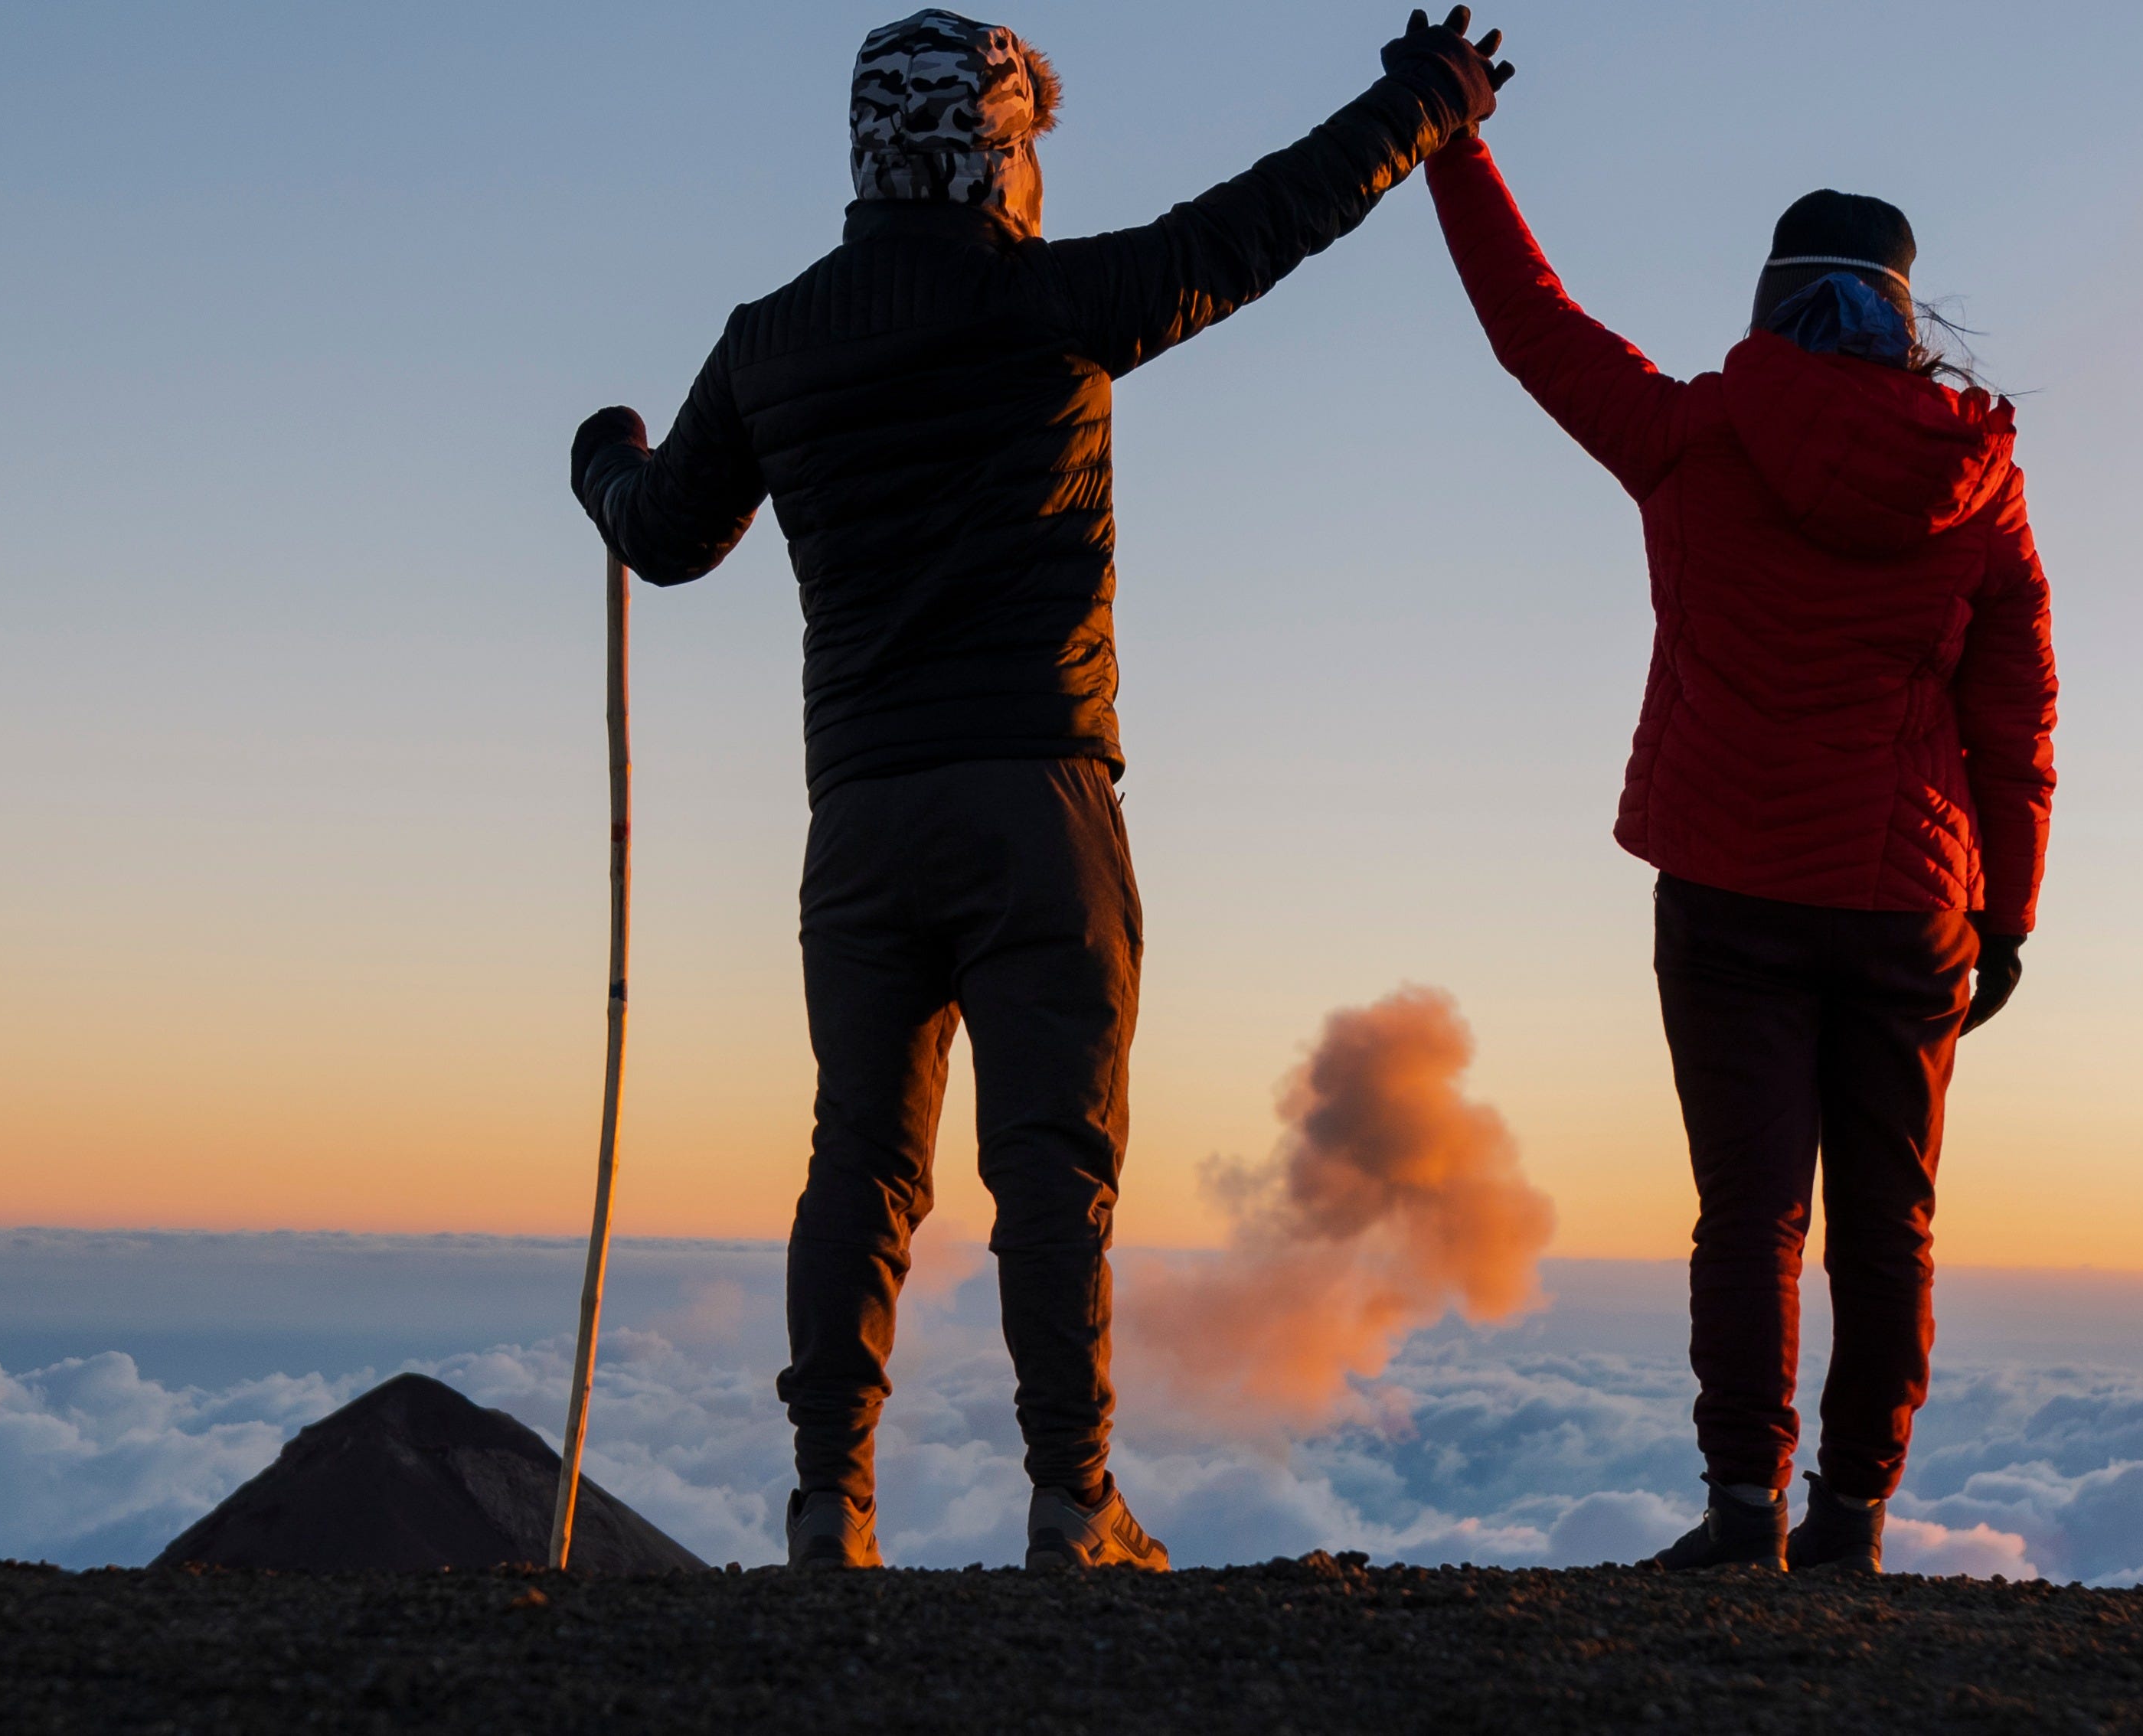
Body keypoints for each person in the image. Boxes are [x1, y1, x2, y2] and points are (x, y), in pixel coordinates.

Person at [568, 8, 1517, 1571]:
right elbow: (1264, 221)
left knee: (858, 1155)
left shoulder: (768, 341)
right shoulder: (1052, 302)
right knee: (1050, 1161)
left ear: (866, 153)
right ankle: (1073, 1502)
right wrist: (1425, 100)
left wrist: (601, 455)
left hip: (858, 822)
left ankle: (828, 1502)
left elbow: (665, 534)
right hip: (1037, 803)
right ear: (999, 150)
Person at [1419, 129, 2056, 1572]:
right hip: (1909, 906)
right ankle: (1853, 1523)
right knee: (1889, 1225)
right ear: (1903, 310)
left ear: (1773, 300)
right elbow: (2017, 722)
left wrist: (1453, 148)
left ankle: (1738, 1515)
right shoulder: (1979, 486)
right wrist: (2006, 914)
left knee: (1751, 1215)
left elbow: (1536, 327)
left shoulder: (1690, 436)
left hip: (1727, 892)